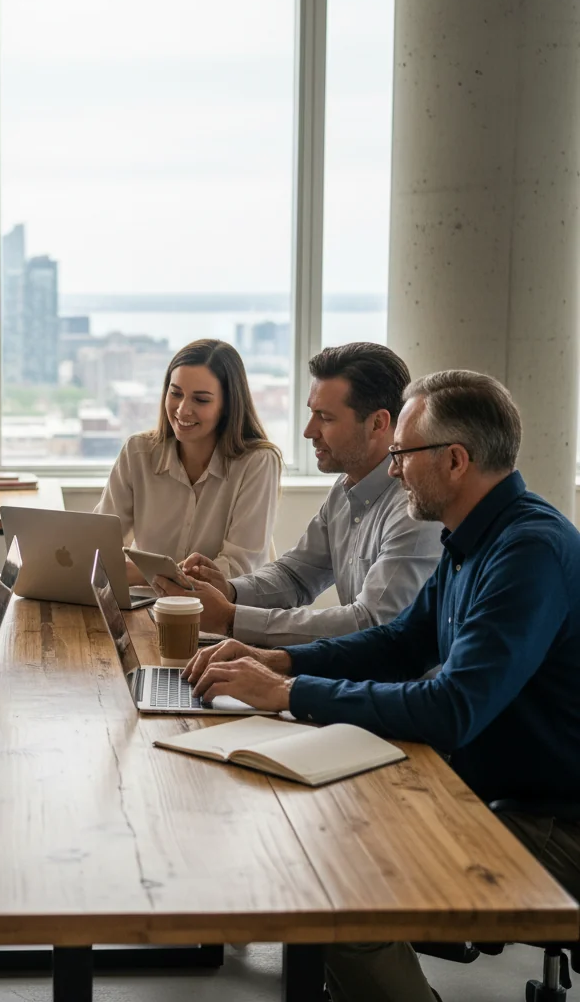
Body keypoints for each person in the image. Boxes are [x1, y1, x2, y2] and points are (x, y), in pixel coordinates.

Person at [185, 370, 580, 1002]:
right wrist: (280, 663)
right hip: (500, 787)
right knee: (320, 833)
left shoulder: (526, 552)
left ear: (455, 460)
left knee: (342, 893)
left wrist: (288, 695)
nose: (392, 471)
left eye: (402, 454)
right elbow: (399, 644)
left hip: (556, 822)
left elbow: (452, 709)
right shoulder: (471, 536)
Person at [154, 342, 443, 643]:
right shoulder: (346, 489)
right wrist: (230, 591)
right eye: (311, 413)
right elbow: (295, 576)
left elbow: (371, 623)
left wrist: (230, 618)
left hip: (396, 686)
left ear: (378, 423)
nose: (308, 431)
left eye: (325, 417)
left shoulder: (415, 509)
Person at [95, 338, 282, 581]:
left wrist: (142, 575)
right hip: (152, 607)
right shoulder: (137, 452)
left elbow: (238, 568)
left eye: (201, 399)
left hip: (225, 610)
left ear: (228, 404)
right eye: (176, 393)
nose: (183, 410)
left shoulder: (258, 462)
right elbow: (101, 544)